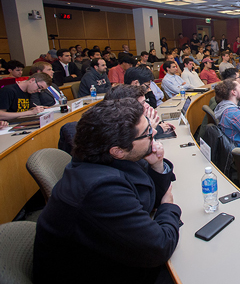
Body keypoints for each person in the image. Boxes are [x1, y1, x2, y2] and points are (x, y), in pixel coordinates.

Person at [33, 98, 181, 284]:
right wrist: (168, 206)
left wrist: (157, 166)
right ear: (117, 150)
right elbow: (160, 246)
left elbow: (147, 198)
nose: (154, 133)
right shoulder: (101, 189)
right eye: (148, 132)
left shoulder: (103, 160)